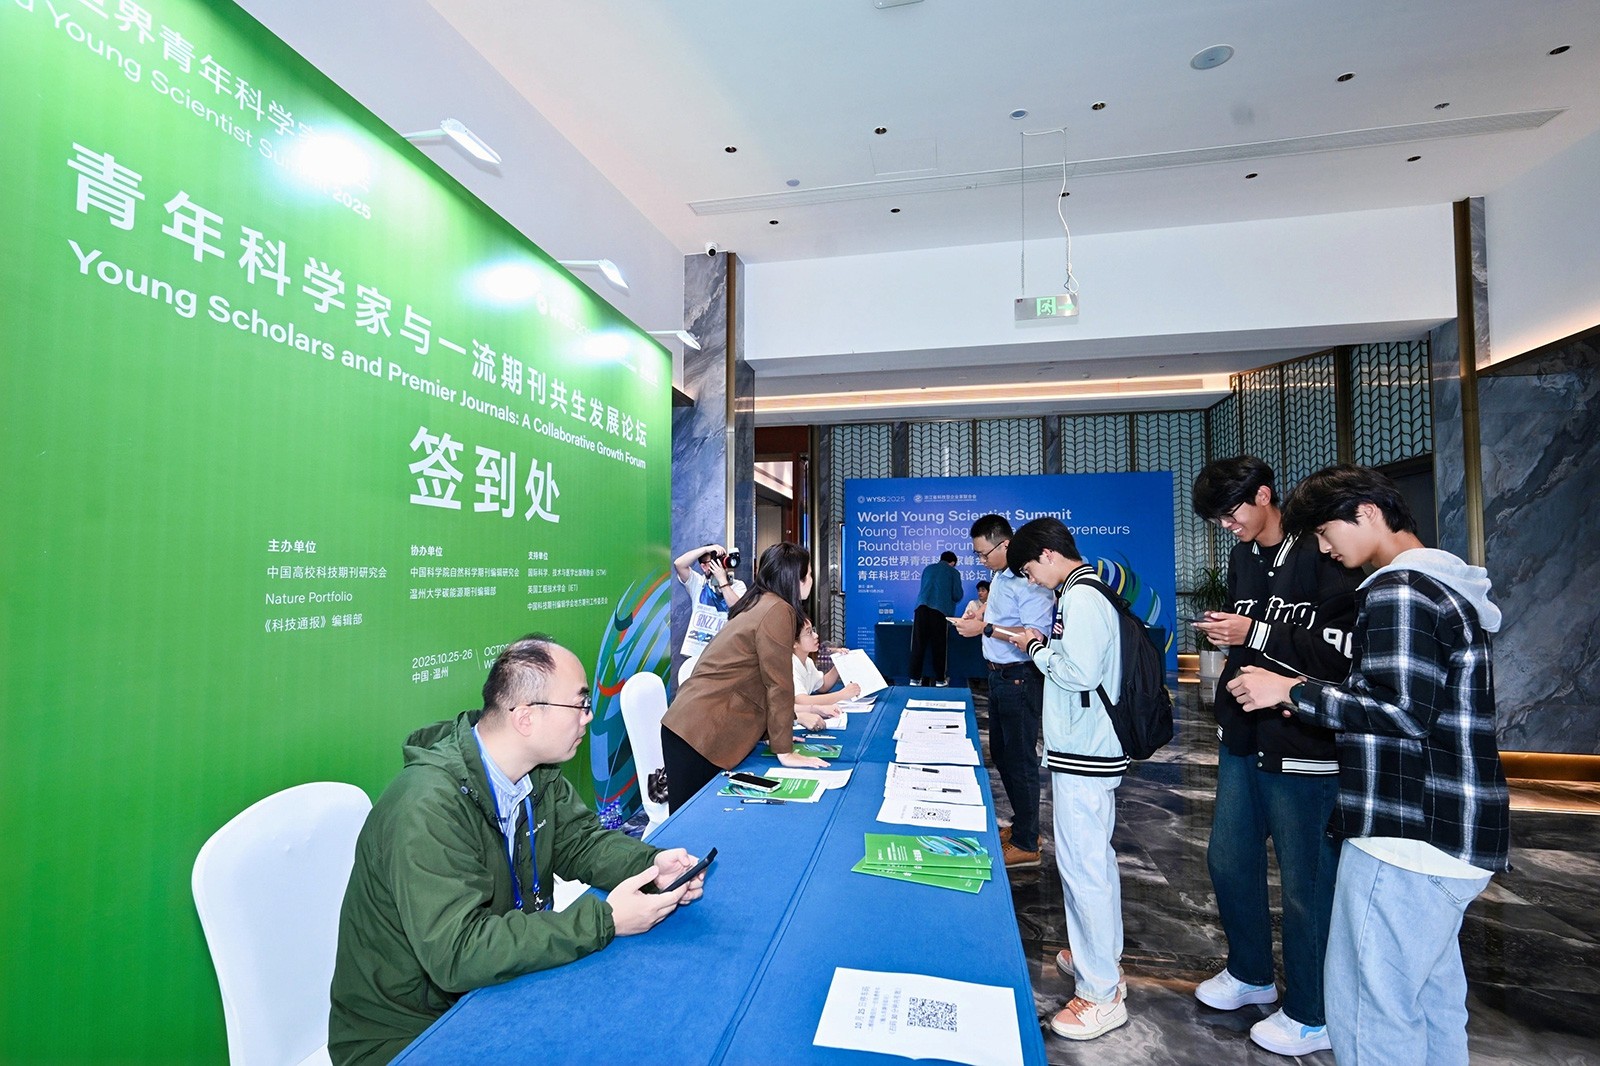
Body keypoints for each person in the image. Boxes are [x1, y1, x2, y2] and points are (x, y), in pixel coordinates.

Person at [1228, 464, 1510, 1066]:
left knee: (1368, 1007)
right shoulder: (1445, 585)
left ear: (1368, 513)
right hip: (1452, 828)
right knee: (1430, 1000)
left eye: (1325, 533)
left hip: (1407, 831)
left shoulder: (1399, 589)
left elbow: (1402, 711)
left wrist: (1290, 692)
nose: (1325, 549)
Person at [328, 635, 708, 1066]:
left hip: (492, 989)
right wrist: (604, 920)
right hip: (407, 1034)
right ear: (526, 717)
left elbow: (581, 842)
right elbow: (458, 953)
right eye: (580, 704)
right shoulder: (426, 806)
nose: (588, 717)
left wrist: (650, 865)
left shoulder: (536, 773)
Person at [1187, 457, 1362, 1057]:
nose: (1227, 526)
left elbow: (1339, 654)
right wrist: (1231, 637)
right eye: (1217, 519)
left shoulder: (1325, 552)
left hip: (1304, 744)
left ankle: (1314, 1012)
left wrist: (1253, 634)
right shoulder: (1242, 559)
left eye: (1230, 513)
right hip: (1244, 736)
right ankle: (1250, 972)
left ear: (1264, 495)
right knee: (1228, 860)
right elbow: (1252, 639)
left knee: (1306, 884)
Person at [1003, 517, 1129, 1041]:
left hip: (1085, 751)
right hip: (1085, 747)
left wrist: (1035, 648)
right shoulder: (1083, 591)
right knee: (1093, 861)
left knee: (1083, 868)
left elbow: (1077, 673)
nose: (1032, 580)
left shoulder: (1083, 597)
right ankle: (1101, 958)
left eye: (1030, 570)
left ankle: (1101, 994)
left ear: (1049, 555)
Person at [660, 542, 830, 811]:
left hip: (693, 727)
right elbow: (778, 682)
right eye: (808, 575)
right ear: (794, 579)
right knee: (689, 824)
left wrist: (773, 734)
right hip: (698, 732)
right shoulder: (778, 610)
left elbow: (756, 678)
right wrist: (784, 750)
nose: (811, 581)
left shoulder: (760, 602)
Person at [952, 515, 1055, 871]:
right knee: (1002, 753)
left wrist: (985, 628)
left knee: (1020, 758)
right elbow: (997, 614)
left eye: (984, 553)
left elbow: (1034, 636)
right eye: (977, 555)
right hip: (998, 676)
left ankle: (1027, 842)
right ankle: (1024, 827)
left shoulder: (1030, 580)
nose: (982, 561)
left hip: (1020, 677)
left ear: (1005, 544)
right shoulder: (1000, 576)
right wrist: (979, 614)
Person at [674, 542, 746, 680]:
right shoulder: (698, 583)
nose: (720, 565)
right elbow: (679, 564)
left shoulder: (738, 586)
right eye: (714, 562)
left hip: (725, 655)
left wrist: (722, 581)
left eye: (721, 560)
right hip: (698, 654)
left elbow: (737, 607)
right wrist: (706, 549)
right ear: (704, 567)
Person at [907, 550, 963, 686]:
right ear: (953, 563)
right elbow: (957, 595)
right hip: (939, 611)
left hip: (920, 609)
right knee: (939, 645)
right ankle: (940, 680)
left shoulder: (928, 569)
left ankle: (914, 679)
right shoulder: (953, 572)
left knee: (918, 645)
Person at [792, 616, 861, 725]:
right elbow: (802, 701)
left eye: (813, 630)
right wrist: (842, 694)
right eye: (809, 633)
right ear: (794, 642)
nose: (816, 635)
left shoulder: (807, 661)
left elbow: (822, 685)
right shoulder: (790, 665)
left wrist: (839, 664)